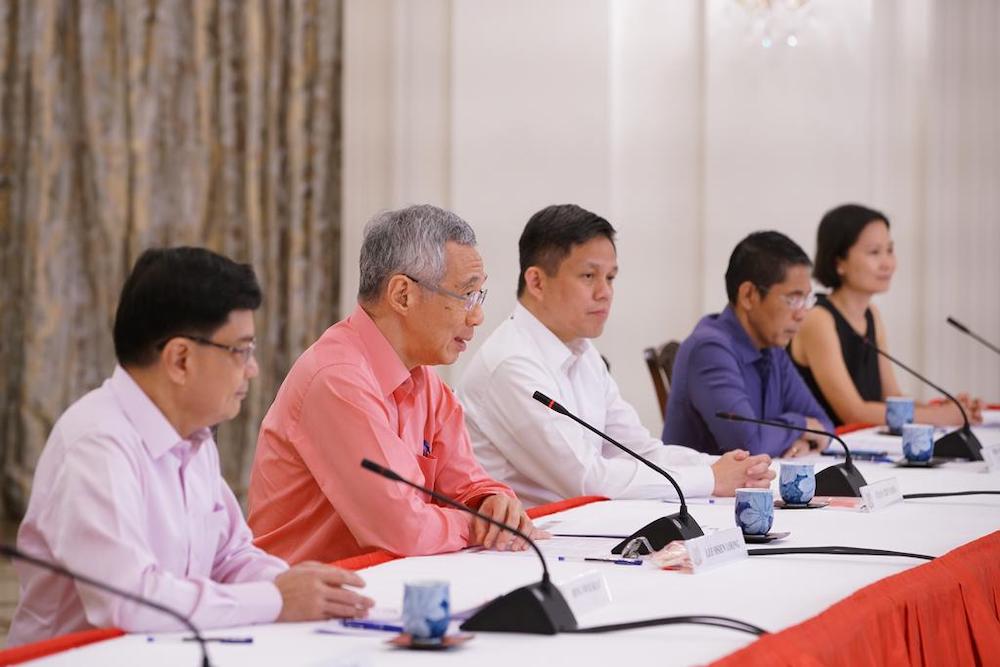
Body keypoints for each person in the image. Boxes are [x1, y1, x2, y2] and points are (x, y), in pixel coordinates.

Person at [8, 248, 373, 647]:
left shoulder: (192, 436)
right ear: (180, 359)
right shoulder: (96, 444)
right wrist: (275, 599)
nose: (252, 369)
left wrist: (298, 586)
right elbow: (130, 601)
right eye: (241, 350)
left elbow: (230, 557)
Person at [248, 205, 544, 563]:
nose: (477, 316)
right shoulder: (337, 378)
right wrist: (480, 525)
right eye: (467, 295)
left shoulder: (426, 382)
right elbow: (403, 530)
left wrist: (492, 502)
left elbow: (466, 483)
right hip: (311, 589)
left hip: (386, 579)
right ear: (403, 295)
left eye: (479, 296)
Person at [457, 204, 774, 507]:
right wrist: (710, 478)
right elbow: (587, 481)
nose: (605, 292)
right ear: (537, 282)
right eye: (589, 276)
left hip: (580, 528)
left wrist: (725, 467)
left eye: (610, 278)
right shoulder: (512, 364)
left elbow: (639, 451)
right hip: (530, 537)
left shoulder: (582, 352)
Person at [790, 204, 981, 426]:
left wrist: (949, 409)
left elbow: (892, 398)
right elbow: (853, 412)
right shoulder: (817, 318)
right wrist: (940, 417)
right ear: (838, 262)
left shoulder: (871, 314)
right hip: (830, 445)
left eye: (890, 250)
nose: (887, 263)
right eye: (874, 252)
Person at [663, 231, 834, 458]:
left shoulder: (773, 348)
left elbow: (824, 426)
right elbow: (748, 444)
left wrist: (803, 443)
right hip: (700, 482)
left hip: (758, 479)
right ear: (748, 295)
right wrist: (799, 425)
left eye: (806, 299)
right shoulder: (708, 350)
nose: (802, 313)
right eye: (793, 299)